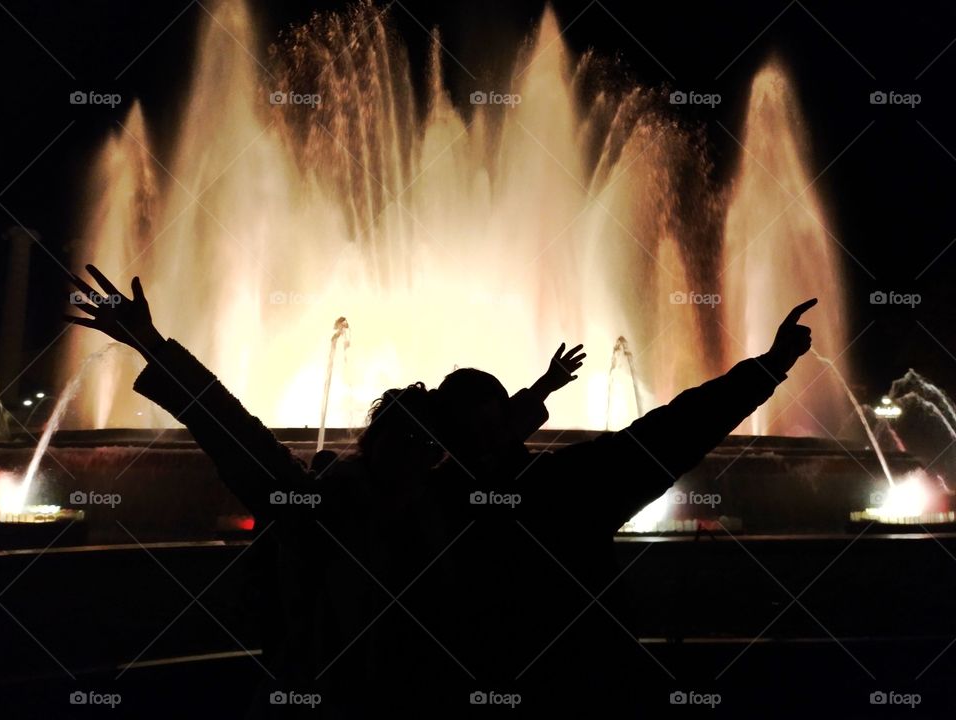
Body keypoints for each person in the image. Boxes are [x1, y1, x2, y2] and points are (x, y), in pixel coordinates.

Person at [63, 265, 582, 716]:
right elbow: (234, 431)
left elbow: (494, 439)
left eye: (427, 442)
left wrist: (543, 387)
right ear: (375, 438)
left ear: (437, 453)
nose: (413, 451)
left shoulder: (441, 500)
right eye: (403, 435)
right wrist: (150, 343)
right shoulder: (321, 506)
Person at [427, 298, 818, 712]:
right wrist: (770, 366)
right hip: (588, 680)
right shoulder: (561, 489)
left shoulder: (425, 502)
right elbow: (674, 430)